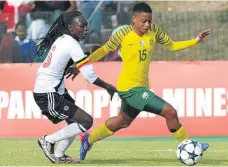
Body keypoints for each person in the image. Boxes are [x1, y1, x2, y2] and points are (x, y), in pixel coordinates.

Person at [76, 2, 211, 161]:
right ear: (134, 19)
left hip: (141, 87)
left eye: (149, 21)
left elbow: (173, 46)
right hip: (130, 88)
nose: (147, 25)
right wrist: (82, 64)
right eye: (143, 21)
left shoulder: (154, 32)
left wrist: (195, 41)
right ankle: (189, 144)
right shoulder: (123, 34)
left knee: (122, 122)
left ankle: (88, 140)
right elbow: (104, 51)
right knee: (170, 112)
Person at [33, 11, 116, 164]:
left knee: (75, 123)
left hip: (52, 90)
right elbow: (90, 76)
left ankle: (59, 155)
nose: (85, 28)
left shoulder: (63, 39)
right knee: (86, 121)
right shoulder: (71, 43)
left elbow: (65, 62)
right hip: (48, 92)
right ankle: (48, 141)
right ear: (71, 27)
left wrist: (86, 54)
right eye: (82, 25)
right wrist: (109, 87)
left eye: (86, 25)